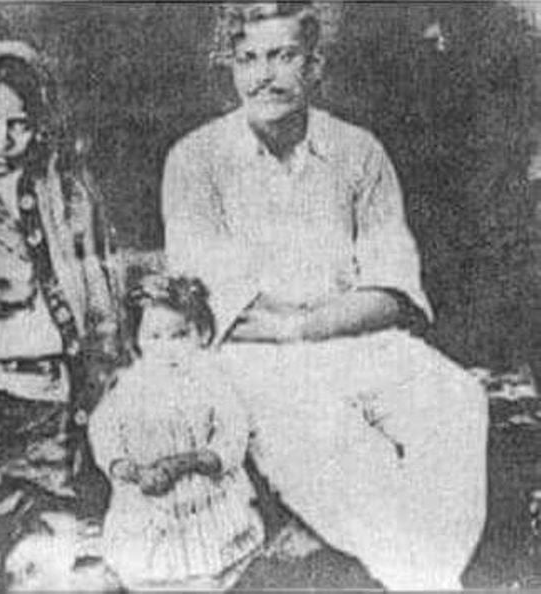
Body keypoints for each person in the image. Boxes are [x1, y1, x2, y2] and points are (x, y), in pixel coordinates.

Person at [162, 2, 488, 589]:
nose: (264, 75)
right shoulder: (195, 160)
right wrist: (298, 328)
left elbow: (392, 290)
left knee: (456, 399)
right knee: (330, 433)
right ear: (231, 67)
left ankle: (431, 574)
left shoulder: (359, 151)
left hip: (356, 338)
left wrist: (305, 324)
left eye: (283, 56)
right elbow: (214, 308)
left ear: (314, 65)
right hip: (255, 357)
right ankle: (426, 581)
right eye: (248, 59)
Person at [0, 39, 121, 496]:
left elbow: (97, 301)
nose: (1, 141)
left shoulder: (66, 193)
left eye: (18, 124)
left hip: (45, 364)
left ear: (39, 126)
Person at [88, 275, 264, 590]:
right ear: (137, 340)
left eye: (180, 335)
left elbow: (233, 432)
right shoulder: (129, 386)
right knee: (149, 570)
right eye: (154, 337)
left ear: (202, 333)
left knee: (208, 570)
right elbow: (104, 433)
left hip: (203, 496)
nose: (167, 348)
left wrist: (188, 462)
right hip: (149, 501)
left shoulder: (211, 381)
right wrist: (130, 469)